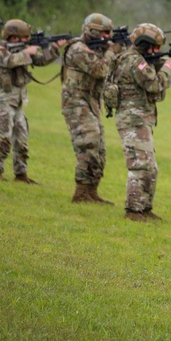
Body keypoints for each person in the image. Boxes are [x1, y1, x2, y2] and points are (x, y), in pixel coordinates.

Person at [112, 23, 171, 222]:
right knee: (140, 165)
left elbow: (158, 72)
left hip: (140, 119)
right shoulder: (135, 62)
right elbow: (155, 83)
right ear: (145, 44)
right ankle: (133, 211)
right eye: (155, 47)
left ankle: (145, 208)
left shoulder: (139, 59)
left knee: (150, 166)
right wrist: (168, 66)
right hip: (132, 119)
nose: (158, 52)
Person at [0, 19, 67, 183]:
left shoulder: (22, 50)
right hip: (0, 100)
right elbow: (10, 62)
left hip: (18, 101)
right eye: (24, 38)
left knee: (21, 140)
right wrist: (27, 52)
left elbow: (42, 60)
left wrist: (54, 48)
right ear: (14, 38)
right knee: (2, 137)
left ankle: (21, 174)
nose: (26, 41)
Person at [61, 13, 122, 204]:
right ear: (91, 31)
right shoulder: (78, 49)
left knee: (99, 147)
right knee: (88, 142)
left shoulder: (98, 49)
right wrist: (112, 51)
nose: (106, 37)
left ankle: (92, 191)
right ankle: (80, 193)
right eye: (103, 33)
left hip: (91, 102)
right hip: (76, 102)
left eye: (108, 33)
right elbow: (100, 70)